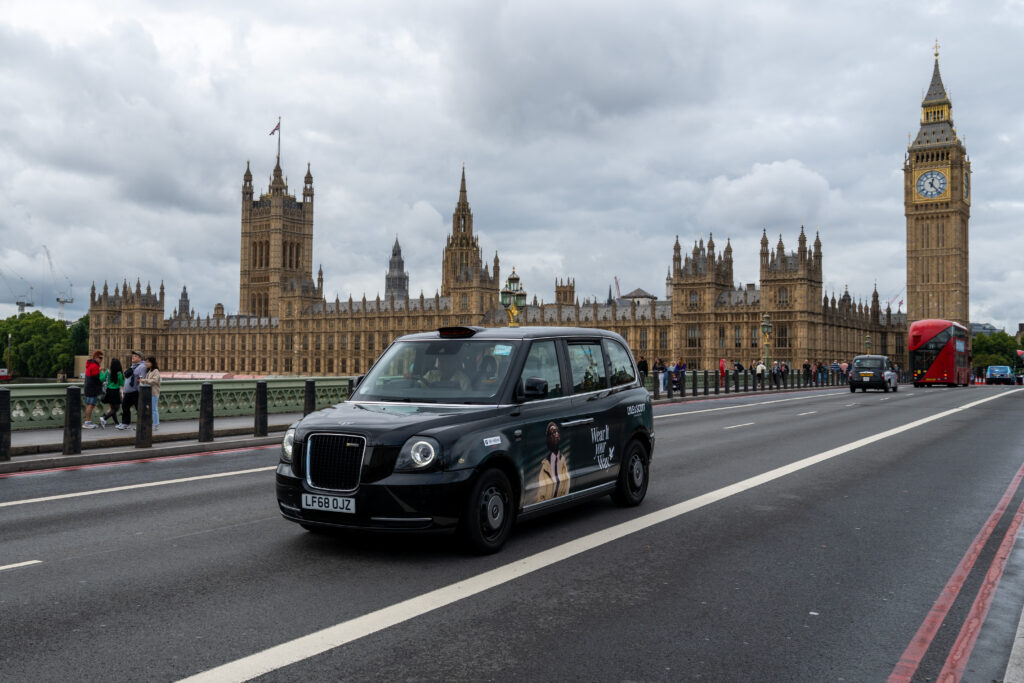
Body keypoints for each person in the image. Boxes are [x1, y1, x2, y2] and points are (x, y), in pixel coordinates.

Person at [536, 421, 570, 503]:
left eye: (557, 432)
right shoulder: (544, 466)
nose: (556, 434)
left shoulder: (563, 461)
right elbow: (540, 495)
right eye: (553, 433)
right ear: (548, 438)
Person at [117, 350, 147, 430]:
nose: (133, 357)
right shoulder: (133, 366)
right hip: (128, 392)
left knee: (139, 409)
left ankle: (142, 424)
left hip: (136, 392)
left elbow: (142, 379)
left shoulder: (142, 367)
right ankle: (125, 423)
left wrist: (140, 391)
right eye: (133, 356)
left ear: (140, 358)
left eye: (135, 356)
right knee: (125, 407)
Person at [82, 350, 104, 429]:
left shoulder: (90, 364)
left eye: (102, 358)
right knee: (91, 405)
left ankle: (87, 421)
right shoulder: (95, 366)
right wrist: (101, 373)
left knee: (89, 405)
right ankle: (87, 423)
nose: (101, 360)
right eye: (100, 358)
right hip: (92, 388)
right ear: (95, 357)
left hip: (88, 387)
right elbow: (97, 379)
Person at [100, 358, 124, 427]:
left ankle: (117, 423)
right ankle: (104, 418)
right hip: (115, 392)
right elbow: (122, 384)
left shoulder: (108, 372)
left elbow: (101, 379)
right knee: (116, 408)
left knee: (113, 408)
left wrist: (101, 372)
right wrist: (122, 393)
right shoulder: (119, 374)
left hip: (108, 391)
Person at [140, 356, 162, 430]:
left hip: (154, 393)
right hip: (148, 393)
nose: (146, 363)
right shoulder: (149, 371)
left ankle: (156, 425)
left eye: (148, 362)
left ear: (152, 363)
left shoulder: (156, 371)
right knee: (149, 409)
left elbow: (154, 381)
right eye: (146, 362)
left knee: (154, 409)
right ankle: (149, 423)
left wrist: (144, 381)